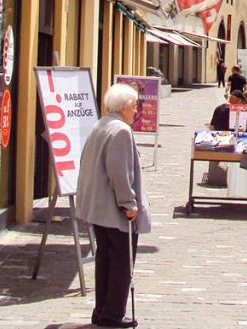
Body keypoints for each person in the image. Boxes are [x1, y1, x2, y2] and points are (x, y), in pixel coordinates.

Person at [76, 83, 151, 328]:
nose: (137, 109)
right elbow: (119, 172)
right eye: (135, 104)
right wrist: (128, 204)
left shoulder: (101, 125)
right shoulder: (120, 131)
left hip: (98, 209)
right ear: (125, 106)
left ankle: (102, 310)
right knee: (120, 262)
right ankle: (113, 314)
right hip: (114, 211)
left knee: (105, 259)